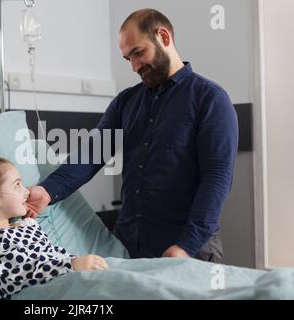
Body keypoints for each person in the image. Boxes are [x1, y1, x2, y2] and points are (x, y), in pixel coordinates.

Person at [26, 8, 238, 262]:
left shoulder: (210, 99)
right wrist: (48, 190)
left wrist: (186, 245)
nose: (135, 66)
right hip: (129, 246)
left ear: (164, 37)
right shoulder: (126, 102)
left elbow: (217, 178)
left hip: (187, 248)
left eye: (138, 52)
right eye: (128, 59)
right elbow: (92, 153)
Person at [0, 150, 108, 300]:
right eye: (17, 185)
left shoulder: (28, 225)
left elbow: (54, 255)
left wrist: (79, 263)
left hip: (66, 278)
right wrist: (70, 265)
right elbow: (7, 279)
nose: (26, 191)